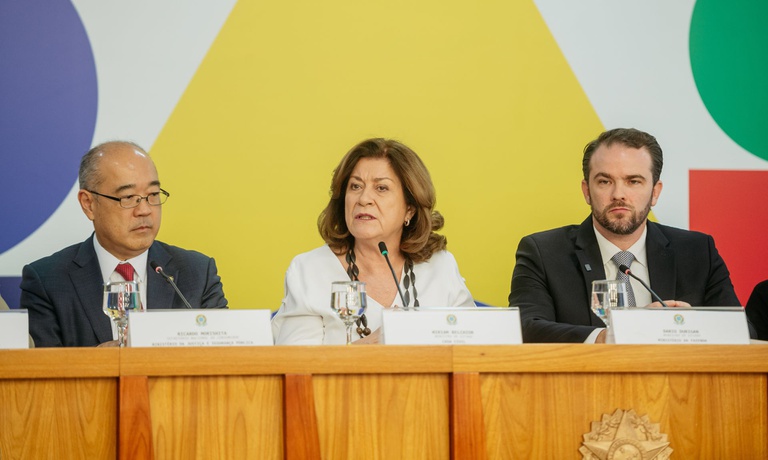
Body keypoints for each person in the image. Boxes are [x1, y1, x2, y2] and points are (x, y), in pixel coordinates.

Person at [509, 128, 744, 343]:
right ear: (587, 191)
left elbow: (743, 332)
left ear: (655, 192)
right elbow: (525, 328)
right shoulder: (544, 253)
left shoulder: (697, 252)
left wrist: (692, 328)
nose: (618, 194)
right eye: (605, 181)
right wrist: (612, 336)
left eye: (633, 181)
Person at [21, 141, 227, 347]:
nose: (144, 210)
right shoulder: (47, 281)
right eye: (128, 197)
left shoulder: (197, 273)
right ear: (88, 204)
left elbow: (224, 355)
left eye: (153, 195)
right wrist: (99, 361)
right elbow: (42, 365)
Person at [272, 138, 475, 344]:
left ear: (410, 209)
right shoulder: (309, 270)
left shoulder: (440, 266)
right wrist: (371, 345)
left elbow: (476, 345)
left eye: (381, 188)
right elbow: (297, 361)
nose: (363, 199)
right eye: (355, 186)